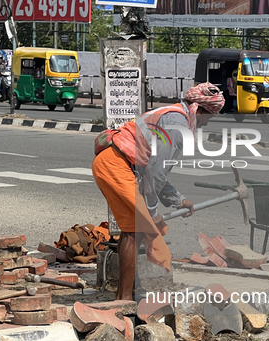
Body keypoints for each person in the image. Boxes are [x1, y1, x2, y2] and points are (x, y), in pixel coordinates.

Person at [92, 83, 225, 301]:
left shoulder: (174, 115)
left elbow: (152, 170)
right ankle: (124, 300)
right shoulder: (177, 123)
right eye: (208, 117)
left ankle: (123, 297)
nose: (206, 122)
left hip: (114, 162)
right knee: (135, 230)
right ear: (198, 109)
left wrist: (178, 200)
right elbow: (155, 172)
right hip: (116, 164)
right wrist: (152, 212)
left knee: (131, 230)